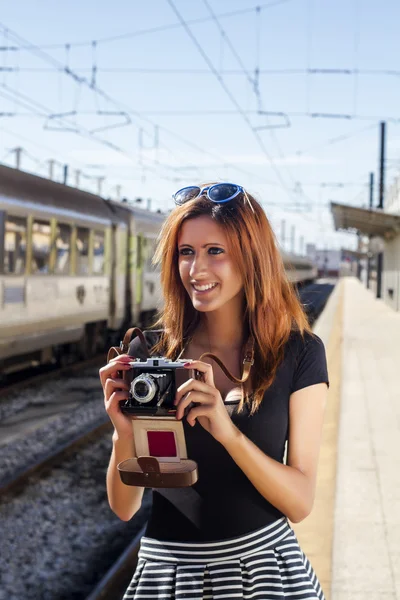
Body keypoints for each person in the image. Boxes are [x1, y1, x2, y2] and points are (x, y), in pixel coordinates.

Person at [99, 182, 329, 600]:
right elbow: (124, 507)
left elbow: (300, 501)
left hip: (265, 576)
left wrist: (229, 433)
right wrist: (123, 432)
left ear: (251, 258)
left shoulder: (299, 353)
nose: (195, 269)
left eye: (214, 251)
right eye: (186, 252)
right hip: (167, 577)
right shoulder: (151, 353)